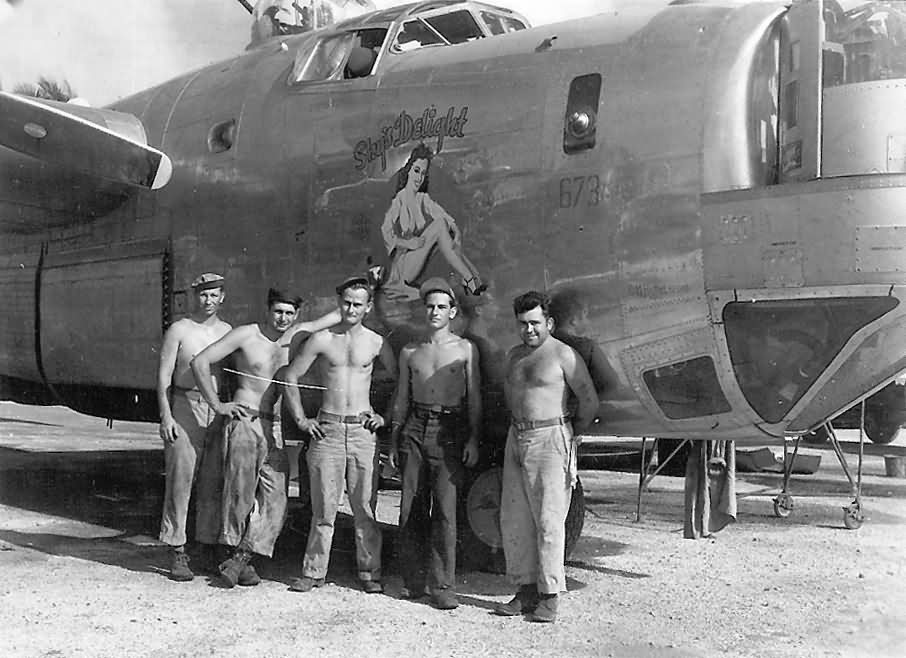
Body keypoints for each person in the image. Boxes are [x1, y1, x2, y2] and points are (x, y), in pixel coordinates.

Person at [191, 288, 340, 588]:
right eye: (278, 311)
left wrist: (376, 283)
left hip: (273, 427)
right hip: (245, 419)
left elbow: (337, 315)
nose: (283, 318)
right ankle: (231, 554)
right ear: (268, 310)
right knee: (239, 492)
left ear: (296, 315)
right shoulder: (247, 335)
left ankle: (241, 558)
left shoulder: (296, 336)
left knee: (277, 498)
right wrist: (217, 405)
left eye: (289, 313)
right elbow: (200, 362)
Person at [283, 275, 397, 594]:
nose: (350, 308)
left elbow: (402, 381)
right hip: (328, 430)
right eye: (346, 302)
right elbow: (290, 376)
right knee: (323, 508)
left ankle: (369, 572)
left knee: (365, 507)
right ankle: (314, 571)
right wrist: (302, 420)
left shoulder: (376, 342)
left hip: (362, 431)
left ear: (368, 307)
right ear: (339, 302)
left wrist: (383, 416)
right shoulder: (322, 339)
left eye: (357, 304)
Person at [495, 290, 597, 623]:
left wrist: (570, 435)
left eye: (535, 323)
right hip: (518, 436)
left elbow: (588, 401)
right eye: (523, 324)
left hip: (552, 437)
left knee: (549, 521)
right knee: (515, 519)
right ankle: (524, 592)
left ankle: (550, 597)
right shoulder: (513, 356)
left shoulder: (563, 355)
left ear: (549, 322)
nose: (529, 330)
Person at [387, 277, 480, 610]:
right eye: (430, 306)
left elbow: (475, 398)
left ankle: (442, 586)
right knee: (411, 507)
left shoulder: (465, 349)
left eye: (442, 306)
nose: (435, 311)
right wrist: (396, 436)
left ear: (453, 311)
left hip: (450, 430)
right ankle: (413, 582)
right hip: (415, 426)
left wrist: (472, 437)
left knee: (445, 510)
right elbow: (401, 397)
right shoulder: (411, 351)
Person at [157, 273, 231, 581]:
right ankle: (177, 549)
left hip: (216, 411)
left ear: (222, 297)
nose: (208, 300)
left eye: (214, 295)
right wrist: (166, 417)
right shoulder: (180, 329)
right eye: (203, 294)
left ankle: (205, 547)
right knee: (181, 480)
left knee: (212, 483)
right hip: (184, 405)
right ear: (194, 295)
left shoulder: (228, 331)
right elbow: (163, 378)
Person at [380, 143, 485, 299]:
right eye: (416, 171)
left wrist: (456, 231)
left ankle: (469, 279)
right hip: (401, 268)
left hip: (419, 260)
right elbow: (385, 233)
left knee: (443, 227)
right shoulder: (399, 201)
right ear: (408, 171)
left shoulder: (422, 198)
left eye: (423, 173)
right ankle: (470, 280)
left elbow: (442, 214)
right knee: (439, 228)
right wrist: (407, 243)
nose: (419, 177)